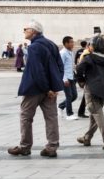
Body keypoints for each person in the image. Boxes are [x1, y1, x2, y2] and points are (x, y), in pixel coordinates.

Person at [7, 20, 64, 158]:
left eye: (26, 29)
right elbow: (60, 66)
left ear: (33, 31)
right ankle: (52, 147)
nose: (24, 31)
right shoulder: (52, 44)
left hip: (35, 89)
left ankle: (25, 146)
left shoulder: (33, 48)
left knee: (26, 117)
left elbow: (37, 71)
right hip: (50, 89)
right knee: (51, 117)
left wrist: (46, 89)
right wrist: (54, 86)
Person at [75, 35, 104, 149]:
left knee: (97, 113)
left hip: (92, 89)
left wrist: (82, 81)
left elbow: (78, 69)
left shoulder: (89, 58)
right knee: (95, 114)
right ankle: (87, 138)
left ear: (92, 46)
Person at [58, 36, 77, 119]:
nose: (73, 44)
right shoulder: (63, 53)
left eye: (73, 42)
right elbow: (60, 67)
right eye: (71, 42)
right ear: (66, 43)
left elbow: (71, 65)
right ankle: (69, 114)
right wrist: (64, 79)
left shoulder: (71, 52)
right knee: (69, 96)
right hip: (65, 78)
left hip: (72, 77)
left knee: (74, 96)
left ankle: (61, 106)